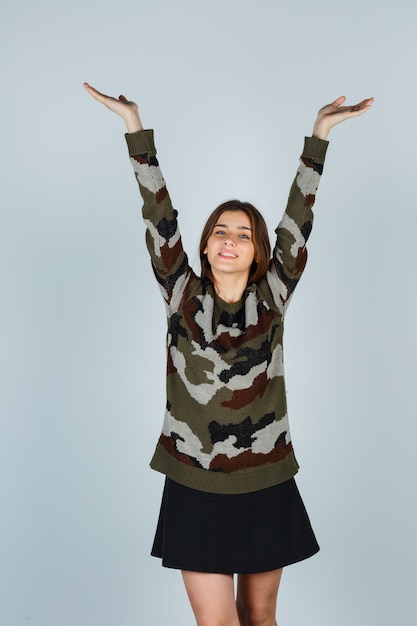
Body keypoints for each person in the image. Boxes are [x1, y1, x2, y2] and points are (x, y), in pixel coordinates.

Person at [84, 82, 373, 626]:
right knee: (217, 623)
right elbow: (158, 216)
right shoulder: (181, 293)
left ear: (260, 251)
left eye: (243, 233)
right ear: (205, 244)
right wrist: (134, 127)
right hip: (194, 480)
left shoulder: (274, 295)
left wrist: (320, 135)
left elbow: (297, 220)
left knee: (258, 617)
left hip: (266, 477)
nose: (230, 240)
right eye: (221, 230)